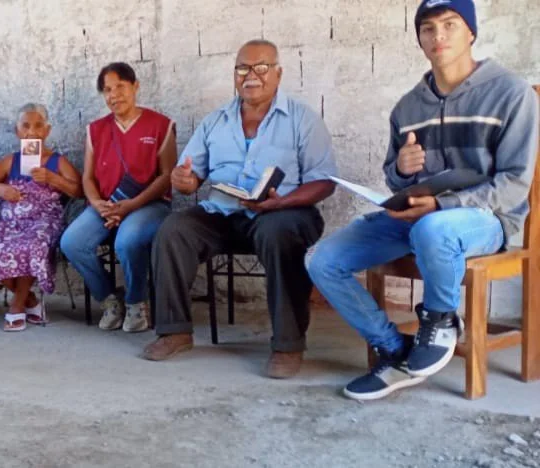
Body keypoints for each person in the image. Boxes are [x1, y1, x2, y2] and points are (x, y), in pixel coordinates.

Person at [306, 0, 539, 400]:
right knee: (321, 260)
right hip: (418, 218)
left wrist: (442, 207)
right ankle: (394, 348)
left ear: (471, 32)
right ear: (419, 39)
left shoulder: (511, 93)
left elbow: (515, 183)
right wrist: (402, 168)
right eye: (428, 28)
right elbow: (395, 178)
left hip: (486, 219)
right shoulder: (408, 107)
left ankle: (440, 321)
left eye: (450, 24)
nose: (438, 36)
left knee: (435, 228)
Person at [141, 40, 338, 380]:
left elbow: (324, 181)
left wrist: (281, 202)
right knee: (173, 230)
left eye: (261, 68)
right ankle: (174, 331)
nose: (251, 76)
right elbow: (190, 177)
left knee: (279, 234)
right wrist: (183, 180)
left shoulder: (302, 119)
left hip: (283, 213)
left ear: (278, 74)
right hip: (224, 214)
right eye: (242, 68)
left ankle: (288, 345)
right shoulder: (215, 121)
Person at [59, 62, 177, 333]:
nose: (114, 95)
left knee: (127, 240)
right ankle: (110, 300)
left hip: (149, 204)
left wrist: (131, 206)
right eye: (108, 90)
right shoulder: (96, 130)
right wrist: (97, 204)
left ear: (135, 86)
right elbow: (88, 177)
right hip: (106, 205)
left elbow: (166, 176)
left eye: (120, 87)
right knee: (72, 242)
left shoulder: (160, 125)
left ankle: (136, 302)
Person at [0, 103, 82, 331]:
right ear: (17, 131)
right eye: (26, 126)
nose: (32, 132)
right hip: (11, 224)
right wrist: (0, 189)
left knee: (33, 246)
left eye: (38, 126)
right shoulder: (11, 161)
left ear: (47, 131)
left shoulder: (57, 161)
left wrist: (53, 179)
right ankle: (30, 301)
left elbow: (80, 191)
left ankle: (16, 306)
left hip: (44, 222)